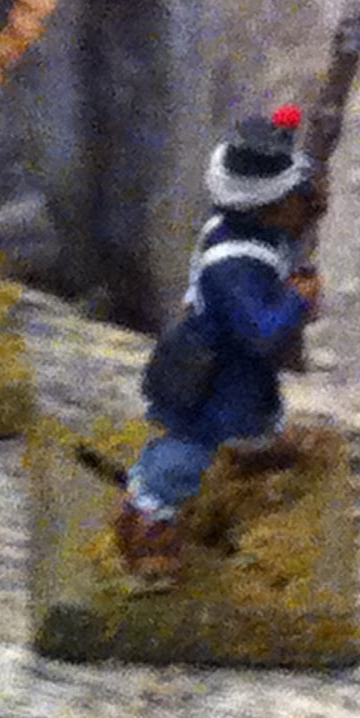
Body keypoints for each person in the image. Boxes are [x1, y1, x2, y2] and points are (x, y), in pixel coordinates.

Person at [116, 105, 322, 578]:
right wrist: (296, 301)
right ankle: (146, 516)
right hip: (216, 371)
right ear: (267, 207)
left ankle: (256, 450)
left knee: (258, 411)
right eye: (294, 197)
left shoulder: (264, 235)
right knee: (191, 449)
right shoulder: (233, 265)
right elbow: (260, 332)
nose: (305, 202)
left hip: (245, 374)